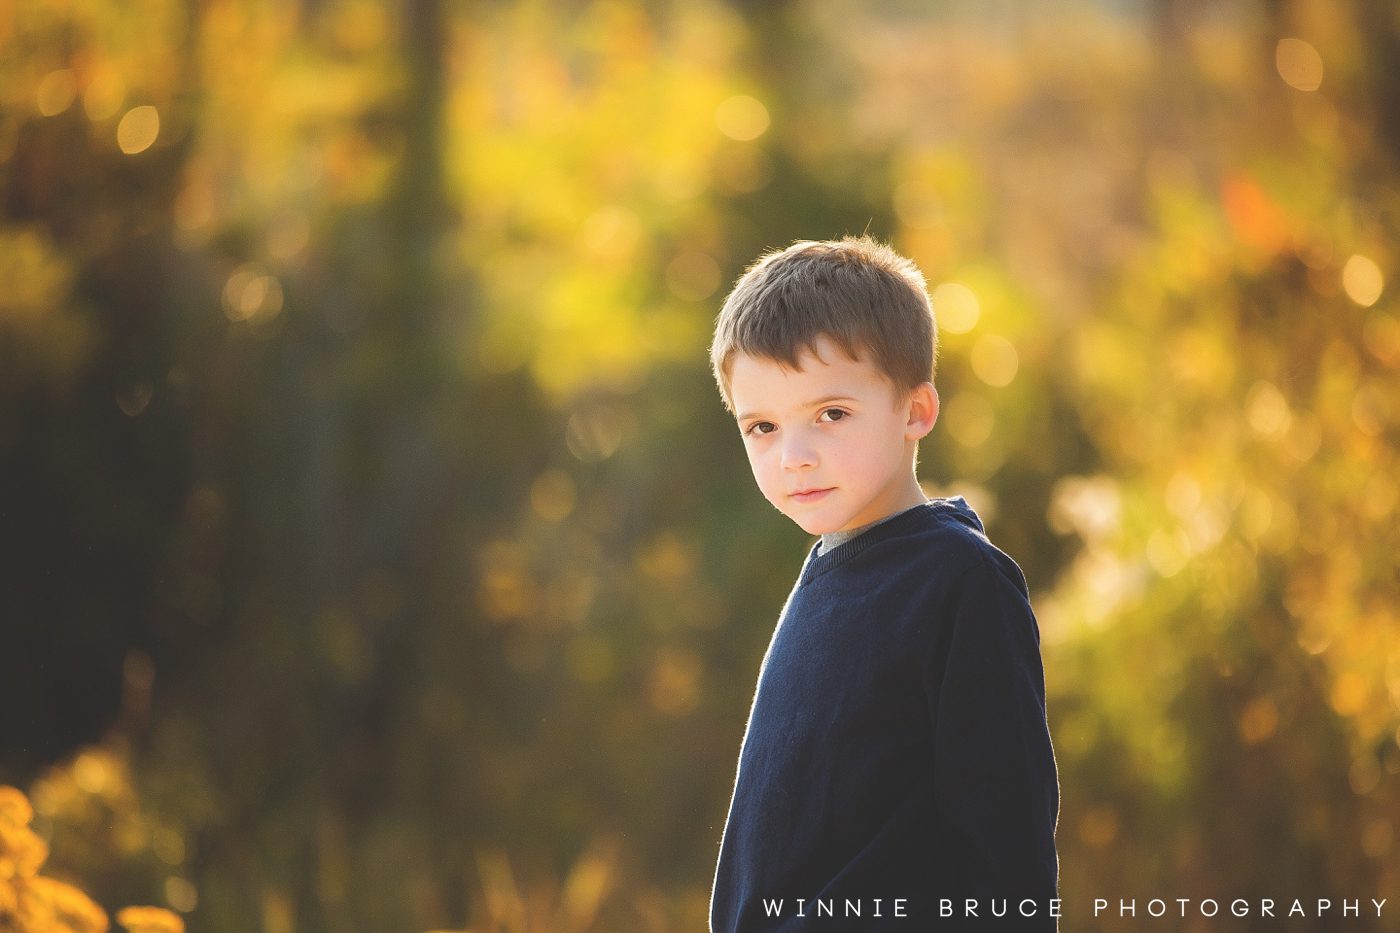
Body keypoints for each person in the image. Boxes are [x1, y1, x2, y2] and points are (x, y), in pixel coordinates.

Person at [707, 237, 1059, 930]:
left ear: (915, 411)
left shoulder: (960, 580)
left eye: (831, 414)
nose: (794, 456)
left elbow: (1008, 841)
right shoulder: (828, 572)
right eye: (763, 426)